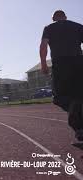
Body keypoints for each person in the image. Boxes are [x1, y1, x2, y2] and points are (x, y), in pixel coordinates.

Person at [40, 10, 83, 141]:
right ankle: (79, 126)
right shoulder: (78, 26)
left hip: (61, 63)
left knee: (59, 97)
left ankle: (79, 126)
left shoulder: (49, 28)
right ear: (65, 17)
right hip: (79, 62)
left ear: (54, 18)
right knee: (79, 94)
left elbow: (43, 46)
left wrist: (43, 64)